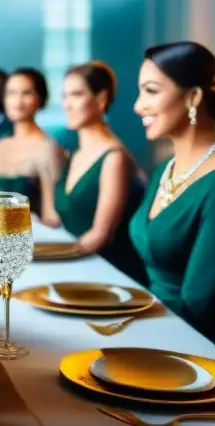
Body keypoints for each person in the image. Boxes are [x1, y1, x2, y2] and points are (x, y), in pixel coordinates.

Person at [128, 41, 215, 371]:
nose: (137, 106)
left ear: (193, 97)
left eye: (150, 91)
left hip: (200, 357)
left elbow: (200, 308)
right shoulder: (163, 170)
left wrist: (123, 326)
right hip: (153, 331)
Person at [53, 61, 146, 282]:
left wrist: (50, 260)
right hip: (75, 269)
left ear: (101, 99)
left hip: (108, 278)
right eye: (64, 96)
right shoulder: (74, 154)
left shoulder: (115, 158)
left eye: (76, 95)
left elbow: (100, 236)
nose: (67, 104)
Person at [0, 67, 63, 225]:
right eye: (12, 93)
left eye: (26, 93)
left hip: (33, 239)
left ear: (40, 99)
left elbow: (52, 216)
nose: (17, 101)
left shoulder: (47, 148)